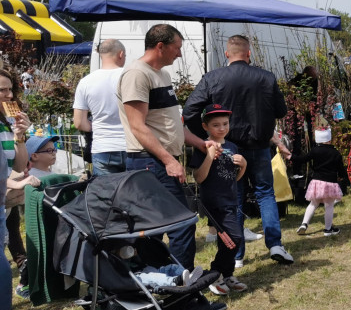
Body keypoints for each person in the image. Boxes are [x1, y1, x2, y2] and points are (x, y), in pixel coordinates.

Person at [183, 34, 293, 267]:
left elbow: (190, 108)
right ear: (248, 53)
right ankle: (275, 244)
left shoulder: (214, 78)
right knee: (265, 194)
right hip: (259, 145)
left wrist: (206, 136)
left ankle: (237, 255)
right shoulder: (266, 77)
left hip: (227, 147)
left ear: (226, 54)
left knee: (236, 197)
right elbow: (281, 111)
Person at [118, 24, 213, 270]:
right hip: (149, 161)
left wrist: (201, 143)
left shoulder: (161, 75)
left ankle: (158, 281)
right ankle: (180, 285)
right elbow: (138, 126)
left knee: (154, 229)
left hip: (159, 161)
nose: (180, 54)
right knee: (181, 223)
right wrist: (169, 161)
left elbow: (171, 124)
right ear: (160, 46)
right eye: (177, 47)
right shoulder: (137, 74)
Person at [189, 104, 247, 295]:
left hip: (231, 200)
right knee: (235, 238)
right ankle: (215, 274)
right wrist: (209, 157)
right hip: (214, 203)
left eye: (225, 123)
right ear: (206, 127)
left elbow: (234, 178)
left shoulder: (231, 147)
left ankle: (226, 274)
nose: (222, 128)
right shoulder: (202, 147)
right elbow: (198, 178)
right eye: (216, 125)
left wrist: (244, 166)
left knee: (228, 241)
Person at [0, 92, 30, 310]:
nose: (8, 95)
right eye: (1, 90)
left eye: (10, 90)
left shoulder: (6, 125)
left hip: (4, 203)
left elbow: (20, 166)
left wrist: (19, 135)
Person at [73, 39, 128, 175]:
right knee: (133, 193)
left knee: (105, 193)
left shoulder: (85, 82)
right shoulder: (131, 76)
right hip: (132, 145)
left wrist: (98, 126)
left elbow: (79, 123)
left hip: (102, 146)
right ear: (121, 54)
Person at [292, 128, 344, 235]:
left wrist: (290, 157)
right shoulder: (335, 153)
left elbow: (303, 159)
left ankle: (304, 223)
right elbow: (341, 168)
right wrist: (342, 177)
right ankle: (328, 229)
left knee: (313, 204)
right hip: (330, 182)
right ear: (329, 139)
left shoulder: (315, 151)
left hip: (317, 182)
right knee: (329, 205)